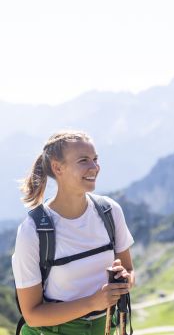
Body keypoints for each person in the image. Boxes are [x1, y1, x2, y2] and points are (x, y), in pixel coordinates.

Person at [12, 130, 134, 335]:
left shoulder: (110, 212)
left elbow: (129, 270)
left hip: (105, 327)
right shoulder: (33, 231)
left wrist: (123, 281)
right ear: (57, 167)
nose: (94, 167)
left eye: (95, 159)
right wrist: (93, 302)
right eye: (84, 160)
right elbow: (32, 315)